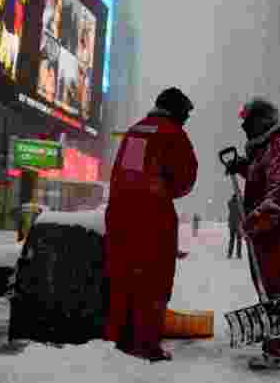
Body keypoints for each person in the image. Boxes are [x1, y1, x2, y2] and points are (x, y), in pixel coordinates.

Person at [104, 87, 198, 362]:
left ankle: (118, 339)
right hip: (153, 218)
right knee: (154, 281)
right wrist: (163, 190)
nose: (186, 119)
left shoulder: (136, 131)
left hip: (120, 215)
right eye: (186, 114)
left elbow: (126, 173)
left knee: (122, 278)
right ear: (176, 110)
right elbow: (185, 180)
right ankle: (146, 345)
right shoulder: (173, 134)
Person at [226, 97, 280, 369]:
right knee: (278, 286)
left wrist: (251, 223)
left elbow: (278, 198)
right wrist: (242, 166)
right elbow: (262, 175)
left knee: (276, 289)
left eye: (248, 124)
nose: (244, 129)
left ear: (262, 123)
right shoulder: (269, 151)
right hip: (272, 234)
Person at [227, 193, 243, 259]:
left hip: (232, 224)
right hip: (238, 224)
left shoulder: (230, 204)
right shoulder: (239, 205)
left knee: (232, 239)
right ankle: (238, 254)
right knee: (239, 239)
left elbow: (229, 202)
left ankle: (229, 254)